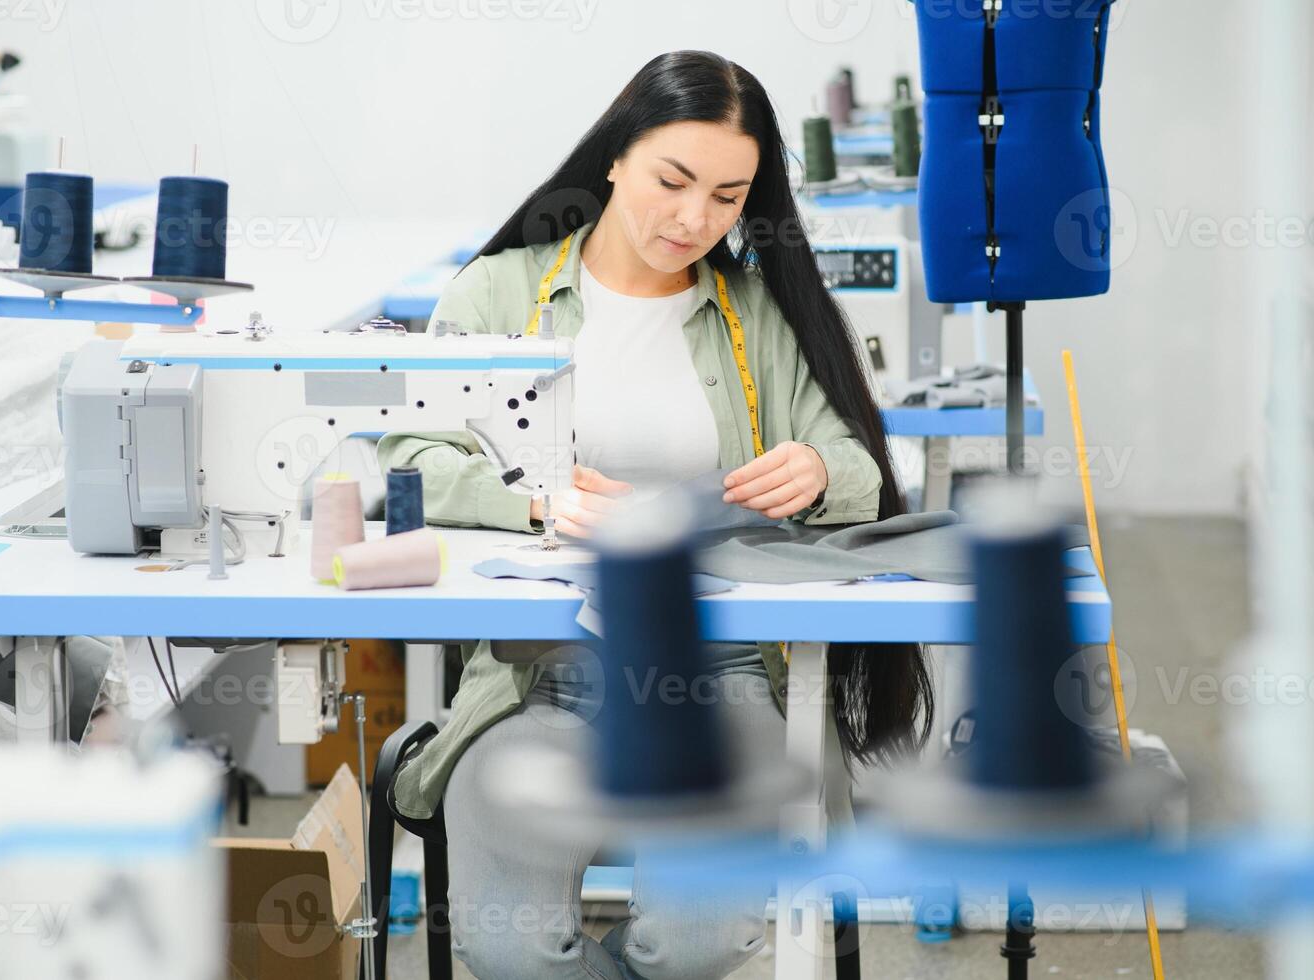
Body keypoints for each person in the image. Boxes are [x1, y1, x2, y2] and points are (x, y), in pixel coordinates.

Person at [379, 49, 932, 980]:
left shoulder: (757, 312)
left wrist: (814, 469)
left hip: (721, 680)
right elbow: (411, 460)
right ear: (614, 156)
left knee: (696, 943)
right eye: (671, 181)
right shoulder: (497, 294)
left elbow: (859, 465)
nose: (693, 219)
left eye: (727, 196)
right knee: (506, 947)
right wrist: (529, 500)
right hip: (536, 681)